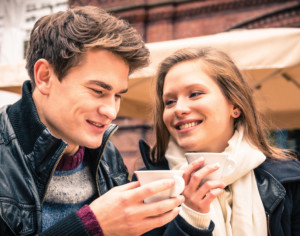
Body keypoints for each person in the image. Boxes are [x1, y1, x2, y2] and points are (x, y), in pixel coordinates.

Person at [0, 6, 185, 236]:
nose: (111, 111)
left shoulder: (107, 156)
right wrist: (90, 226)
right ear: (45, 77)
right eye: (98, 91)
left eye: (118, 95)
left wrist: (193, 216)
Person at [138, 47, 300, 235]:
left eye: (195, 93)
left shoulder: (290, 181)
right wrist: (191, 219)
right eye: (169, 102)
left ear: (235, 105)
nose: (179, 109)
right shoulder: (148, 186)